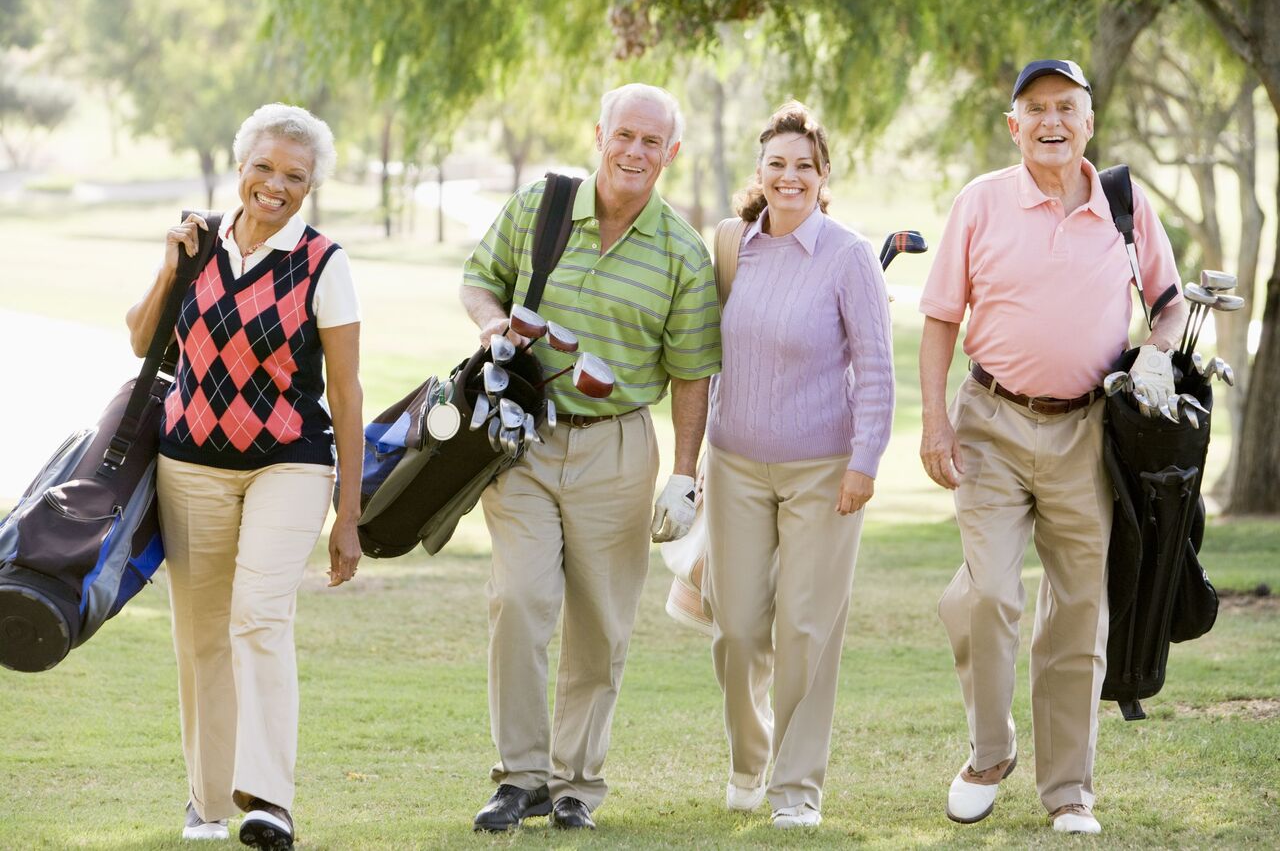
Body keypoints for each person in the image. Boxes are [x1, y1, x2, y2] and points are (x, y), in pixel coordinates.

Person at [917, 59, 1188, 836]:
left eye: (1066, 107)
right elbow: (939, 318)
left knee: (1078, 611)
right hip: (990, 423)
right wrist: (934, 423)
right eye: (1034, 109)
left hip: (1087, 430)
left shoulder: (1126, 203)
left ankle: (1068, 788)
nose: (1051, 121)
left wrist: (1160, 351)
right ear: (1014, 126)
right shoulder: (980, 202)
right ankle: (989, 750)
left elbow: (1167, 309)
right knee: (990, 594)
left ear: (1089, 121)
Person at [459, 82, 721, 832]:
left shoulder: (681, 251)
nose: (634, 152)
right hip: (523, 436)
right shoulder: (542, 206)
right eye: (624, 135)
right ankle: (520, 777)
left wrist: (682, 474)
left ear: (671, 154)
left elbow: (692, 371)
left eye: (652, 142)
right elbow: (479, 282)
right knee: (519, 599)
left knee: (601, 621)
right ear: (599, 133)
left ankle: (576, 784)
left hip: (618, 443)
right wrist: (490, 327)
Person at [125, 103, 363, 849]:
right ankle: (208, 800)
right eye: (263, 167)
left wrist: (348, 514)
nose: (275, 185)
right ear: (240, 166)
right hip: (188, 462)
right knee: (200, 638)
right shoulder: (195, 246)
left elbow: (349, 395)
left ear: (311, 185)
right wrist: (170, 263)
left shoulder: (325, 263)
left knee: (258, 615)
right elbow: (141, 340)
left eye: (294, 176)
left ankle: (269, 799)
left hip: (289, 461)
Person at [702, 101, 895, 830]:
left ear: (823, 178)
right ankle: (748, 762)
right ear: (760, 172)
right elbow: (701, 355)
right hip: (735, 466)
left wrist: (865, 462)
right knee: (739, 628)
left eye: (804, 166)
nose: (790, 176)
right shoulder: (732, 246)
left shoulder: (848, 256)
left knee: (807, 628)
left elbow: (876, 370)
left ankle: (796, 785)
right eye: (777, 164)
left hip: (825, 468)